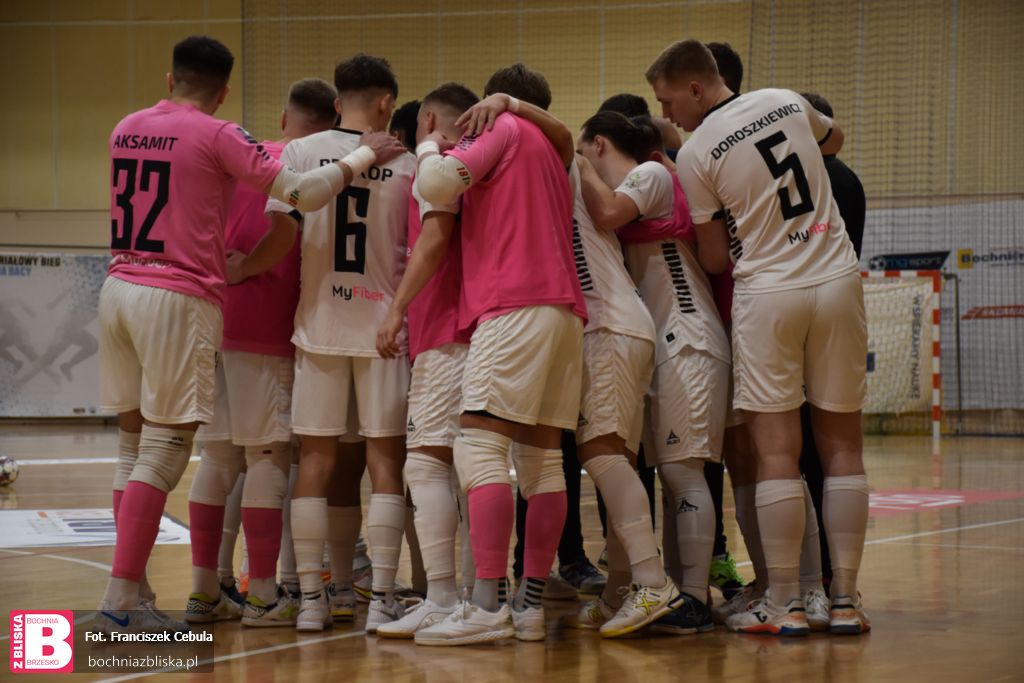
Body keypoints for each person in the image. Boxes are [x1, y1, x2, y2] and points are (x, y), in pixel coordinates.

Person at [96, 36, 404, 633]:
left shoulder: (125, 127)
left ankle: (148, 588)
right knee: (176, 451)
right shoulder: (223, 137)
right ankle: (123, 601)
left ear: (169, 78)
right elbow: (301, 195)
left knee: (137, 451)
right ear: (225, 91)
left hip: (118, 287)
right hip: (181, 298)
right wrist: (361, 157)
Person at [648, 39, 870, 636]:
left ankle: (785, 605)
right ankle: (845, 601)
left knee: (776, 452)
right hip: (837, 277)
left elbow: (717, 260)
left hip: (769, 293)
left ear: (696, 88)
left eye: (669, 100)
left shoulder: (695, 153)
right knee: (843, 447)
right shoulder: (786, 98)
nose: (668, 114)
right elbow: (836, 140)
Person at [389, 63, 585, 646]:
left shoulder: (499, 127)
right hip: (564, 311)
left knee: (476, 445)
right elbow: (566, 137)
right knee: (544, 463)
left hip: (512, 303)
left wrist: (427, 145)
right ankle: (526, 606)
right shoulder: (553, 148)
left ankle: (485, 604)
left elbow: (438, 186)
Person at [263, 53, 416, 634]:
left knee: (318, 461)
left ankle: (309, 600)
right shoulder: (404, 165)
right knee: (383, 461)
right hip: (384, 328)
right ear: (385, 103)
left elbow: (284, 226)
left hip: (320, 325)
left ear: (335, 101)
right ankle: (380, 597)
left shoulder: (299, 153)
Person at [183, 77, 338, 628]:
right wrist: (249, 266)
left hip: (214, 321)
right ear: (334, 124)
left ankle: (205, 591)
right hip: (265, 327)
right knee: (268, 457)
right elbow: (283, 235)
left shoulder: (237, 156)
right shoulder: (309, 172)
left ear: (283, 118)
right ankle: (264, 596)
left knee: (218, 458)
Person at [576, 111, 730, 633]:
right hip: (654, 343)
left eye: (584, 149)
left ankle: (691, 597)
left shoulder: (650, 174)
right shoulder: (640, 183)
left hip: (686, 337)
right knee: (646, 470)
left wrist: (572, 160)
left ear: (598, 144)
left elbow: (607, 211)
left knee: (683, 472)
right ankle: (636, 588)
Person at [374, 82, 480, 637]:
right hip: (480, 328)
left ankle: (442, 596)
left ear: (431, 116)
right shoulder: (477, 161)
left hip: (447, 329)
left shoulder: (436, 162)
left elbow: (435, 237)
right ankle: (476, 595)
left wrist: (396, 310)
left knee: (425, 461)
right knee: (474, 467)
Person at [797, 91, 868, 597]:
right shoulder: (849, 179)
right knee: (839, 449)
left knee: (793, 454)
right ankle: (840, 586)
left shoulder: (811, 182)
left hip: (796, 318)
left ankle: (799, 580)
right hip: (842, 313)